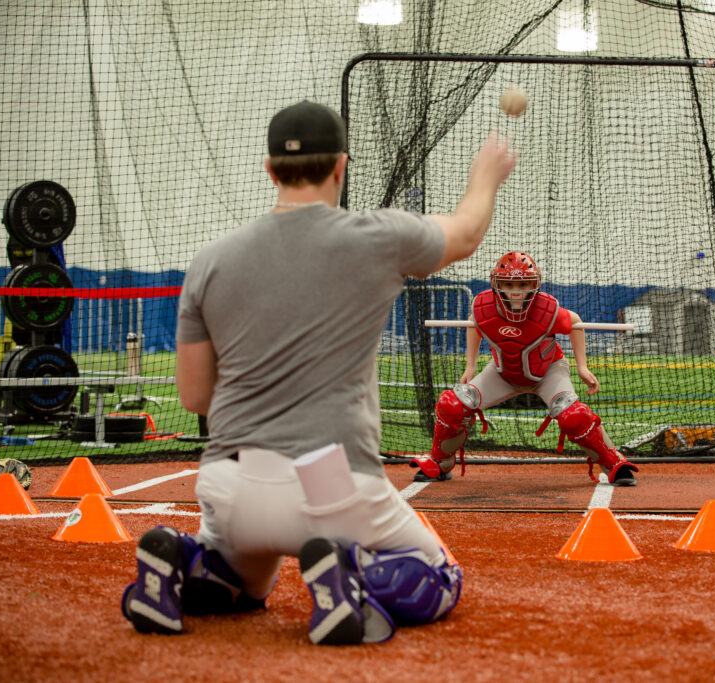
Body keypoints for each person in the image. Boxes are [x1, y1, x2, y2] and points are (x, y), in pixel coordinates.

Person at [120, 100, 517, 645]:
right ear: (341, 166)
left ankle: (176, 562)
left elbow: (194, 396)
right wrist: (485, 175)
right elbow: (468, 233)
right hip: (329, 482)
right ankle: (345, 576)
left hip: (229, 482)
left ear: (268, 170)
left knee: (247, 588)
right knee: (440, 577)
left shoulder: (209, 260)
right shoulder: (377, 236)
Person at [409, 251, 639, 487]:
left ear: (533, 284)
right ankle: (441, 462)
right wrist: (470, 365)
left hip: (548, 371)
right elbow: (473, 324)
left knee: (574, 415)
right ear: (497, 284)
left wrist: (582, 367)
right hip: (502, 373)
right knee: (452, 405)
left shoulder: (547, 311)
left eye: (523, 283)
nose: (516, 290)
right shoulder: (485, 307)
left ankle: (613, 462)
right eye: (508, 284)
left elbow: (576, 323)